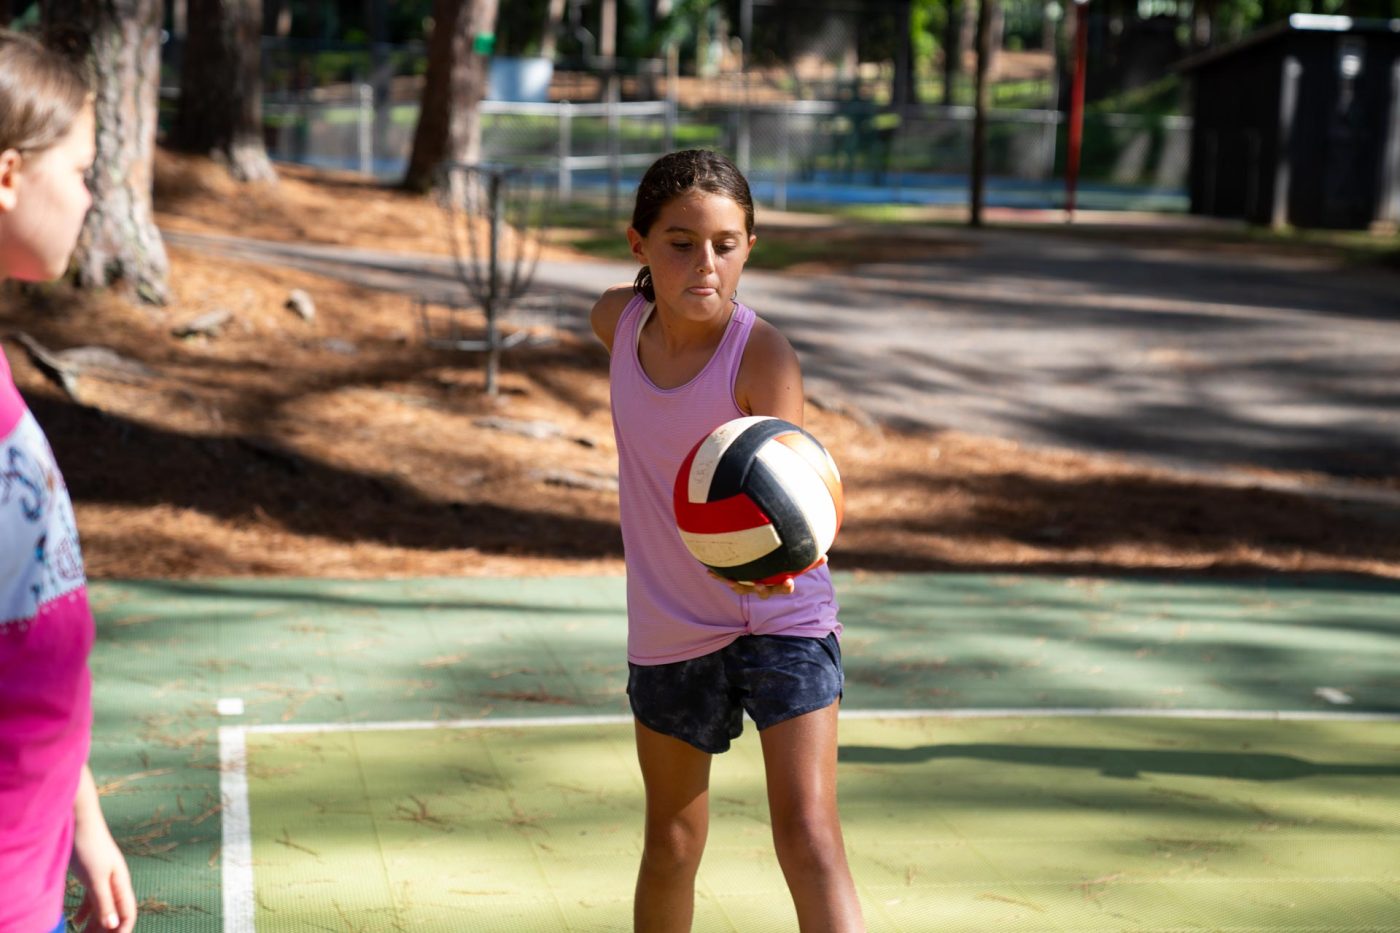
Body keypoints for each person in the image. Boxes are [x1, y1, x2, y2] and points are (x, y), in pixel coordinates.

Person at [590, 149, 865, 933]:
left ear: (749, 246)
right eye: (680, 244)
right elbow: (611, 309)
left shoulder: (763, 355)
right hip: (671, 624)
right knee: (672, 843)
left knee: (808, 837)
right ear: (639, 244)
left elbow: (787, 494)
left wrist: (775, 567)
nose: (705, 264)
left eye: (725, 244)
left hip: (781, 617)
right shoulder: (618, 323)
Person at [0, 30, 138, 933]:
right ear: (8, 174)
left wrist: (80, 817)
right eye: (81, 171)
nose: (92, 197)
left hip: (34, 866)